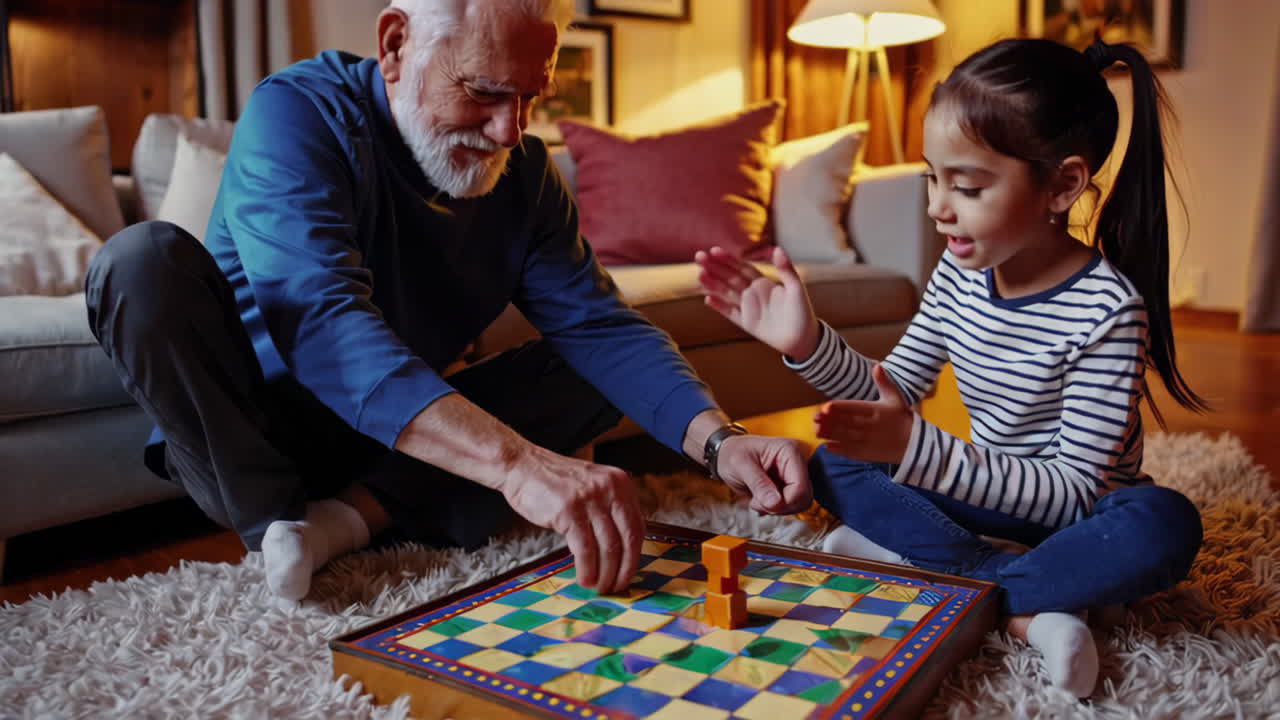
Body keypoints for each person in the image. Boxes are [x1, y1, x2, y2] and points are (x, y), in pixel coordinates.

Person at [84, 0, 810, 604]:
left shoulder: (523, 169)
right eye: (485, 92)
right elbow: (322, 322)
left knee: (582, 367)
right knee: (139, 263)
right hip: (251, 437)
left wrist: (721, 440)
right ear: (396, 45)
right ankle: (276, 517)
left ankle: (339, 524)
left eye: (530, 97)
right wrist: (519, 465)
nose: (510, 130)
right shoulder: (298, 112)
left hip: (397, 436)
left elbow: (598, 323)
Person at [695, 36, 1205, 698]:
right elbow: (894, 390)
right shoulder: (959, 274)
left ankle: (955, 577)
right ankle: (1036, 604)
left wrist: (921, 450)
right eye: (933, 178)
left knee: (1164, 524)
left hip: (1078, 512)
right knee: (835, 461)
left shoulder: (1108, 309)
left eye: (966, 186)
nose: (938, 206)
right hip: (987, 496)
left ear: (1063, 185)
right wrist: (805, 342)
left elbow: (1074, 491)